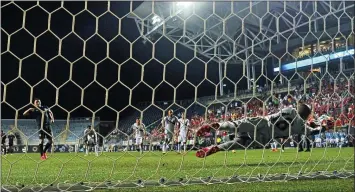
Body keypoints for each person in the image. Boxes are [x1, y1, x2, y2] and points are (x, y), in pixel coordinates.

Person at [195, 104, 326, 158]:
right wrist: (323, 127)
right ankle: (217, 147)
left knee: (237, 125)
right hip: (265, 137)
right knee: (238, 143)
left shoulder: (291, 109)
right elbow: (312, 131)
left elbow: (295, 116)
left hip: (263, 122)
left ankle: (217, 125)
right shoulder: (301, 127)